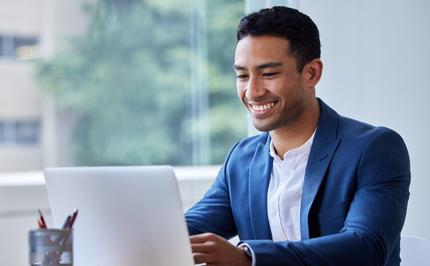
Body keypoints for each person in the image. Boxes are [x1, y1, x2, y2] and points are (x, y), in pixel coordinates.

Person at [185, 6, 410, 266]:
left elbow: (365, 247)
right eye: (243, 75)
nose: (253, 91)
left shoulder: (374, 148)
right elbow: (191, 229)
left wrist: (249, 258)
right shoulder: (242, 159)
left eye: (268, 74)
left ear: (311, 73)